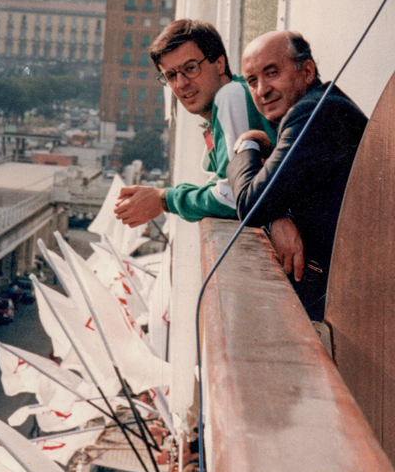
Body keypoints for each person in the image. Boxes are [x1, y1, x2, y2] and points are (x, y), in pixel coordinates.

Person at [227, 30, 367, 321]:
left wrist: (247, 143)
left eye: (272, 73)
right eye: (252, 80)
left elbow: (251, 203)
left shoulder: (314, 113)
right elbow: (275, 194)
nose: (262, 90)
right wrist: (278, 217)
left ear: (307, 72)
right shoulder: (322, 104)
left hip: (350, 304)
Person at [114, 19, 276, 227]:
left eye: (190, 68)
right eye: (171, 75)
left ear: (219, 64)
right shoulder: (222, 110)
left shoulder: (231, 95)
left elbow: (234, 197)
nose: (181, 83)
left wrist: (164, 200)